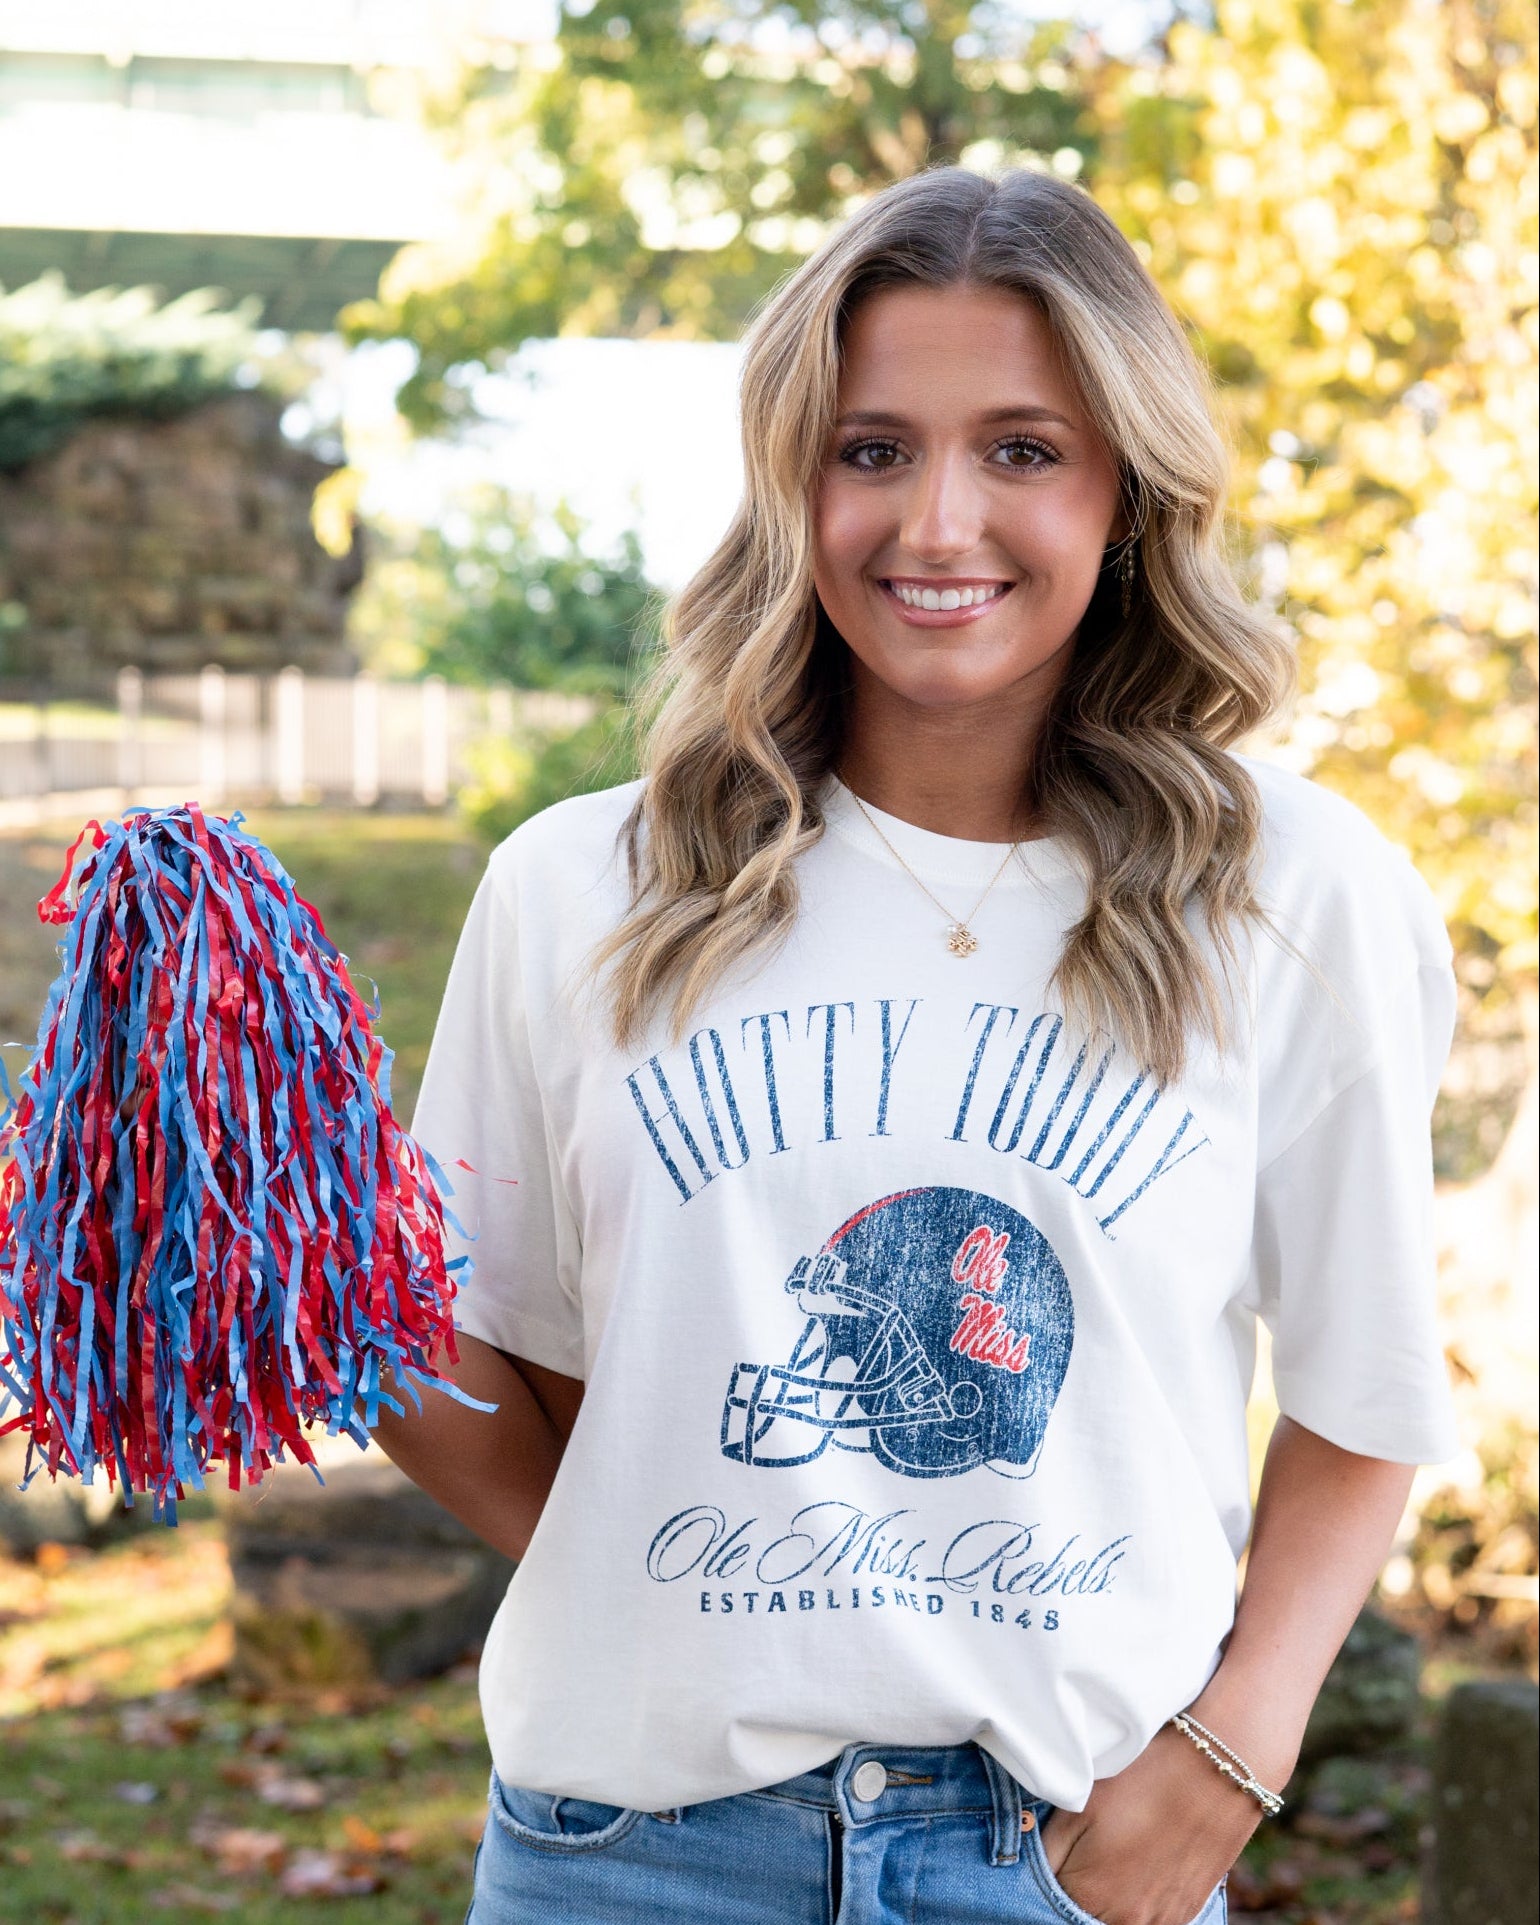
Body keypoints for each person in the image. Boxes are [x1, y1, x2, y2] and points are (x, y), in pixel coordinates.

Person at [374, 167, 1458, 1925]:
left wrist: (1229, 1763)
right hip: (630, 1857)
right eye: (871, 447)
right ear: (791, 478)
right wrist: (275, 1251)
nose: (937, 522)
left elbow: (1365, 1392)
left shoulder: (1293, 890)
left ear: (1130, 484)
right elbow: (527, 1397)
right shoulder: (586, 887)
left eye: (1022, 448)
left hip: (1060, 1859)